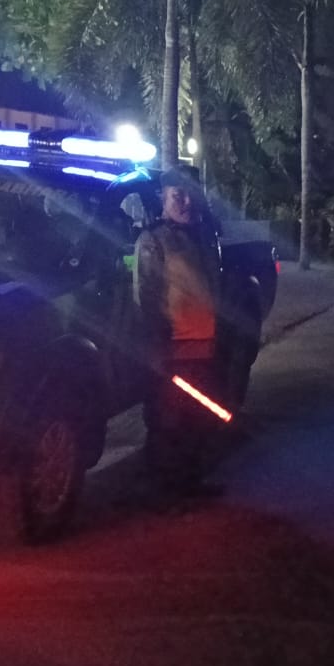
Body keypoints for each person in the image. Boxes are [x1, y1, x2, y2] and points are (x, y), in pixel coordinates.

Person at [134, 167, 225, 500]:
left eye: (190, 194)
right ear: (163, 197)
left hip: (205, 348)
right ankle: (163, 495)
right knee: (167, 425)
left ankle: (191, 486)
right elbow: (146, 298)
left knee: (196, 422)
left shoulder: (203, 237)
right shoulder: (153, 240)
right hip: (173, 351)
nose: (186, 202)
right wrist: (156, 351)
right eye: (177, 195)